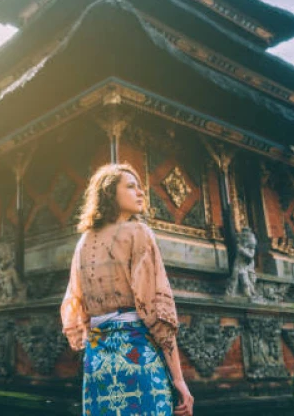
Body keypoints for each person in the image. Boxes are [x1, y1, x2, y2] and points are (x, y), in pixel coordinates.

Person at [61, 163, 194, 416]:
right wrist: (179, 379)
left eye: (140, 187)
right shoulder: (138, 232)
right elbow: (157, 311)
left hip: (98, 359)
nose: (141, 193)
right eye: (131, 187)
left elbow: (77, 308)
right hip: (137, 355)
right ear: (110, 193)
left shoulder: (84, 241)